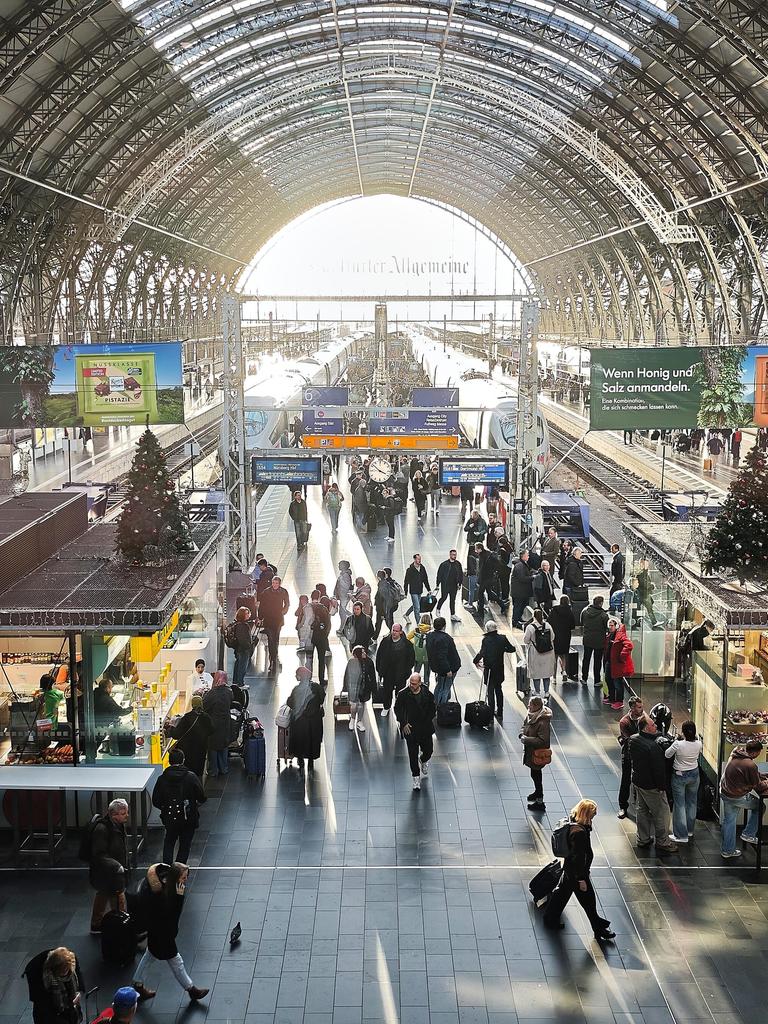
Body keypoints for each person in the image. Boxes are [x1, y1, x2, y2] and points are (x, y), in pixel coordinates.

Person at [131, 863, 208, 1003]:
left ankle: (137, 984)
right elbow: (173, 916)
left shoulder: (165, 887)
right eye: (184, 877)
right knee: (176, 961)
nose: (185, 881)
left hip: (157, 931)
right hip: (163, 934)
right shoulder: (164, 895)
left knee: (150, 955)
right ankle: (191, 989)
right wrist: (179, 897)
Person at [543, 799, 615, 940]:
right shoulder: (579, 833)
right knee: (589, 902)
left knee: (561, 895)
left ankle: (550, 919)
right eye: (593, 814)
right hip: (577, 873)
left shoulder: (574, 823)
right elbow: (579, 858)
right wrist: (581, 879)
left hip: (570, 870)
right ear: (587, 815)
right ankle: (598, 929)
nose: (594, 817)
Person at [628, 718, 677, 855]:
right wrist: (662, 787)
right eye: (652, 724)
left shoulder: (633, 739)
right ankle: (662, 841)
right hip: (652, 786)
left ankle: (643, 838)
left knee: (642, 810)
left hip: (638, 781)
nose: (655, 725)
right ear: (645, 728)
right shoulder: (653, 747)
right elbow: (658, 770)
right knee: (661, 813)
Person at [152, 748, 206, 864]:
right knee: (185, 845)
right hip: (188, 817)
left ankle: (166, 869)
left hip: (170, 817)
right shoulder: (191, 777)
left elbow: (156, 800)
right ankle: (179, 871)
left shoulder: (162, 779)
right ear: (183, 760)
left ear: (170, 761)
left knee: (169, 842)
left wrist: (165, 807)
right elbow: (201, 796)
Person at [719, 739, 768, 858]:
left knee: (729, 821)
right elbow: (758, 786)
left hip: (726, 793)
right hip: (738, 796)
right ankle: (748, 833)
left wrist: (761, 775)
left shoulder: (736, 754)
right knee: (761, 806)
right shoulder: (750, 764)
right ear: (755, 752)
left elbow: (743, 773)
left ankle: (727, 851)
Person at [89, 798, 130, 933]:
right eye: (123, 813)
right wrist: (117, 865)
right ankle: (123, 925)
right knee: (119, 899)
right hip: (110, 872)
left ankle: (97, 923)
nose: (127, 816)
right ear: (114, 815)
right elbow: (99, 854)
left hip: (109, 872)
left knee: (103, 895)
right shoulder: (102, 830)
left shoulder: (117, 825)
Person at [394, 672, 437, 791]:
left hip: (425, 728)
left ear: (420, 683)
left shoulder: (427, 693)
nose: (412, 686)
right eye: (411, 683)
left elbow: (433, 708)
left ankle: (423, 760)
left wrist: (428, 719)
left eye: (414, 684)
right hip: (411, 729)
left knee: (429, 750)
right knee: (412, 755)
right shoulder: (403, 694)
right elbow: (397, 709)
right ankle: (416, 777)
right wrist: (403, 723)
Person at [665, 720, 702, 843]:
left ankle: (681, 835)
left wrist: (678, 740)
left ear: (683, 732)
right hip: (694, 774)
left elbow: (667, 754)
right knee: (692, 802)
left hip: (679, 775)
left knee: (679, 804)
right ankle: (690, 831)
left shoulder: (678, 744)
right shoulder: (698, 744)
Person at [472, 620, 516, 722]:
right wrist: (502, 649)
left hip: (489, 669)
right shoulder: (502, 638)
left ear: (487, 629)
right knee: (499, 689)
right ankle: (500, 711)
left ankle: (490, 714)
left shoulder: (486, 640)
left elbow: (482, 652)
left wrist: (475, 660)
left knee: (490, 691)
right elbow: (511, 649)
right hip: (499, 668)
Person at [166, 694, 213, 780]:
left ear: (192, 704)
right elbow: (211, 730)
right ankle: (198, 785)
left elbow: (176, 734)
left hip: (188, 750)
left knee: (188, 772)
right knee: (199, 772)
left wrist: (171, 728)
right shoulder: (206, 717)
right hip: (201, 749)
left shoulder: (187, 717)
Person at [287, 666, 324, 773]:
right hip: (314, 721)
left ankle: (300, 760)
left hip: (300, 720)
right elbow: (321, 699)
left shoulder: (297, 689)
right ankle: (311, 761)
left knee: (299, 740)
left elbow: (290, 702)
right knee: (313, 740)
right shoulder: (316, 687)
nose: (295, 676)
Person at [375, 624, 415, 717]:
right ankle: (386, 707)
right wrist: (379, 670)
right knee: (387, 691)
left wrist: (407, 671)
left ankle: (399, 708)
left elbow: (411, 659)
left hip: (401, 673)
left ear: (401, 632)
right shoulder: (385, 641)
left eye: (396, 631)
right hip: (388, 673)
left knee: (400, 692)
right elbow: (379, 655)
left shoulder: (407, 644)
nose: (394, 632)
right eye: (393, 630)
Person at [520, 695, 552, 810]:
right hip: (531, 751)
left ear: (537, 706)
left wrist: (526, 739)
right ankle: (537, 793)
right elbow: (524, 725)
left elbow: (543, 741)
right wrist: (522, 733)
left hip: (536, 753)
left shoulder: (542, 722)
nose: (528, 706)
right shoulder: (531, 716)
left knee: (537, 775)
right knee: (534, 774)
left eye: (530, 704)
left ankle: (540, 800)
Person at [617, 697, 645, 819]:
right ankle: (623, 806)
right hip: (629, 754)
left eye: (641, 706)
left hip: (641, 755)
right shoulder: (624, 722)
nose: (641, 709)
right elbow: (631, 739)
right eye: (639, 707)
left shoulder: (644, 718)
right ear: (632, 708)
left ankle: (643, 805)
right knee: (626, 779)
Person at [202, 671, 233, 778]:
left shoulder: (212, 693)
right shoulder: (229, 692)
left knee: (213, 747)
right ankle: (223, 768)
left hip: (213, 724)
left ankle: (213, 770)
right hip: (225, 723)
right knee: (223, 746)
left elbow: (204, 706)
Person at [258, 574, 290, 673]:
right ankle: (273, 660)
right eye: (273, 583)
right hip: (268, 619)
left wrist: (284, 611)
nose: (274, 585)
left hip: (278, 619)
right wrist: (260, 618)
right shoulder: (266, 592)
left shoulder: (283, 591)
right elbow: (262, 606)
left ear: (279, 584)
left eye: (276, 583)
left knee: (275, 639)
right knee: (271, 639)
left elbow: (287, 603)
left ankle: (274, 657)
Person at [425, 616, 461, 705]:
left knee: (439, 686)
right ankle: (442, 708)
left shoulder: (430, 636)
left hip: (436, 666)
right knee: (445, 688)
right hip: (449, 667)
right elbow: (442, 656)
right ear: (444, 626)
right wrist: (448, 669)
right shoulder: (446, 638)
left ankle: (436, 704)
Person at [523, 608, 555, 699]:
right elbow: (552, 637)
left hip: (535, 652)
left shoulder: (530, 627)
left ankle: (537, 691)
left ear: (533, 616)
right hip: (548, 652)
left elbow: (525, 640)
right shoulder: (548, 625)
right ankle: (546, 692)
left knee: (536, 673)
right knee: (546, 673)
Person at [343, 645, 376, 732]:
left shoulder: (369, 662)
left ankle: (359, 721)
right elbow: (347, 675)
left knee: (362, 705)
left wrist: (374, 688)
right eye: (362, 652)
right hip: (354, 687)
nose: (364, 653)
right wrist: (345, 687)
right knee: (354, 705)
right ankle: (352, 719)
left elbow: (372, 676)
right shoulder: (352, 662)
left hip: (365, 687)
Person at [604, 618, 634, 709]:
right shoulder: (610, 635)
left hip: (617, 664)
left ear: (616, 625)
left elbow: (629, 645)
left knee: (617, 683)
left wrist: (622, 655)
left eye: (612, 625)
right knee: (608, 680)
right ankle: (612, 698)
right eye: (609, 625)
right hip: (610, 662)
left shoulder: (620, 635)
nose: (610, 627)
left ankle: (619, 701)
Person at [580, 596, 608, 687]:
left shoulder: (585, 611)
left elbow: (581, 622)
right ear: (600, 603)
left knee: (586, 659)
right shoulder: (603, 615)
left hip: (587, 639)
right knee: (597, 661)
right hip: (599, 641)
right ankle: (596, 680)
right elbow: (607, 627)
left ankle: (584, 678)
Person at [548, 595, 576, 681]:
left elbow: (548, 622)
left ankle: (554, 677)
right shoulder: (569, 611)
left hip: (555, 636)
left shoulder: (554, 610)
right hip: (565, 636)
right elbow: (573, 626)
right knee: (563, 655)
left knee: (555, 656)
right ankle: (564, 671)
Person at [307, 591, 331, 686]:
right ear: (320, 598)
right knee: (321, 659)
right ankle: (321, 679)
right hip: (321, 638)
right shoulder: (323, 609)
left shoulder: (307, 608)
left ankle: (308, 679)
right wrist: (325, 635)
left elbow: (302, 623)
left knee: (309, 659)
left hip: (310, 637)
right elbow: (328, 624)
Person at [436, 548, 463, 621]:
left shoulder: (458, 564)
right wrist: (437, 584)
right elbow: (439, 574)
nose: (455, 556)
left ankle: (452, 615)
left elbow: (460, 574)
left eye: (455, 555)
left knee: (452, 600)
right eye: (453, 555)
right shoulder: (444, 564)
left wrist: (460, 583)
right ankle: (438, 609)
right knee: (443, 598)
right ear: (450, 555)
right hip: (445, 585)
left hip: (454, 585)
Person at [407, 613, 432, 688]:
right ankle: (426, 686)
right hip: (428, 656)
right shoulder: (431, 631)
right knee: (427, 674)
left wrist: (414, 643)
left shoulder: (416, 629)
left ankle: (414, 685)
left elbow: (407, 638)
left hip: (417, 655)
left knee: (416, 672)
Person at [231, 606, 254, 687]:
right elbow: (243, 639)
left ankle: (235, 681)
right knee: (242, 667)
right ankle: (240, 683)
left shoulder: (237, 624)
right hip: (243, 649)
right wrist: (248, 646)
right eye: (247, 613)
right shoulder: (243, 626)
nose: (248, 615)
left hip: (238, 648)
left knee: (238, 664)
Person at [510, 551, 534, 626]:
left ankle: (518, 618)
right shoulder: (520, 565)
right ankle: (515, 621)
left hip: (521, 591)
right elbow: (522, 578)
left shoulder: (523, 564)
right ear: (523, 556)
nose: (528, 557)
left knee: (521, 605)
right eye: (527, 555)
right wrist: (532, 577)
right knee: (518, 606)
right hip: (519, 591)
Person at [403, 553, 430, 620]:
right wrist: (405, 592)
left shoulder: (422, 568)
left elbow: (425, 579)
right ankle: (418, 623)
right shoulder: (409, 570)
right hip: (413, 591)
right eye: (418, 559)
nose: (419, 560)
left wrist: (429, 589)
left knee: (416, 605)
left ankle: (406, 615)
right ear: (414, 559)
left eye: (420, 559)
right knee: (417, 607)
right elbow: (406, 581)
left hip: (420, 590)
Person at [635, 558, 660, 628]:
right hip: (643, 593)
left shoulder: (643, 572)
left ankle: (652, 621)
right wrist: (652, 586)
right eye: (646, 564)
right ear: (642, 564)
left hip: (643, 593)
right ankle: (653, 622)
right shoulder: (641, 573)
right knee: (648, 608)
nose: (648, 565)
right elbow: (644, 584)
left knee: (648, 607)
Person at [374, 569, 397, 639]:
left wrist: (382, 613)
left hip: (383, 609)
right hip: (386, 609)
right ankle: (375, 637)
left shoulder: (382, 586)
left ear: (378, 577)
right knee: (385, 623)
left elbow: (382, 600)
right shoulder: (385, 584)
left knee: (382, 624)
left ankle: (375, 638)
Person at [334, 560, 354, 632]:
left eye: (340, 564)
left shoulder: (345, 575)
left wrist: (340, 579)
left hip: (344, 597)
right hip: (342, 596)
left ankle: (343, 628)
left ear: (344, 566)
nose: (338, 566)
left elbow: (346, 586)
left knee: (342, 613)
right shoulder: (343, 574)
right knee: (343, 612)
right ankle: (344, 626)